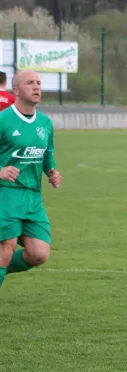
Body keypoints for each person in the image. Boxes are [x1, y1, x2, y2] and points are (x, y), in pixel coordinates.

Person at [0, 70, 62, 289]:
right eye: (29, 83)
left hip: (33, 197)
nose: (36, 87)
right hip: (5, 193)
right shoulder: (3, 120)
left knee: (38, 254)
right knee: (5, 248)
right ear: (16, 91)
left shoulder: (45, 123)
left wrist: (52, 172)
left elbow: (47, 153)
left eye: (38, 83)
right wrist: (1, 171)